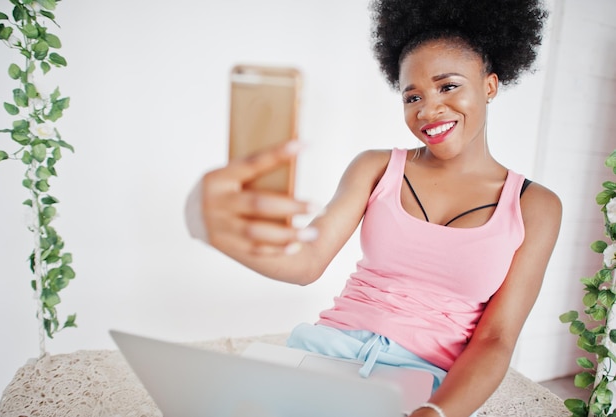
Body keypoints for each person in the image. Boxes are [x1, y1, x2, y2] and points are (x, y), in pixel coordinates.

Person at [185, 0, 562, 416]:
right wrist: (206, 226)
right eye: (412, 95)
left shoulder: (536, 205)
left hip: (423, 382)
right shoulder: (376, 166)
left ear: (489, 86)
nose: (427, 109)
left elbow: (496, 339)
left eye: (448, 86)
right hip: (324, 354)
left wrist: (435, 412)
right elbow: (306, 262)